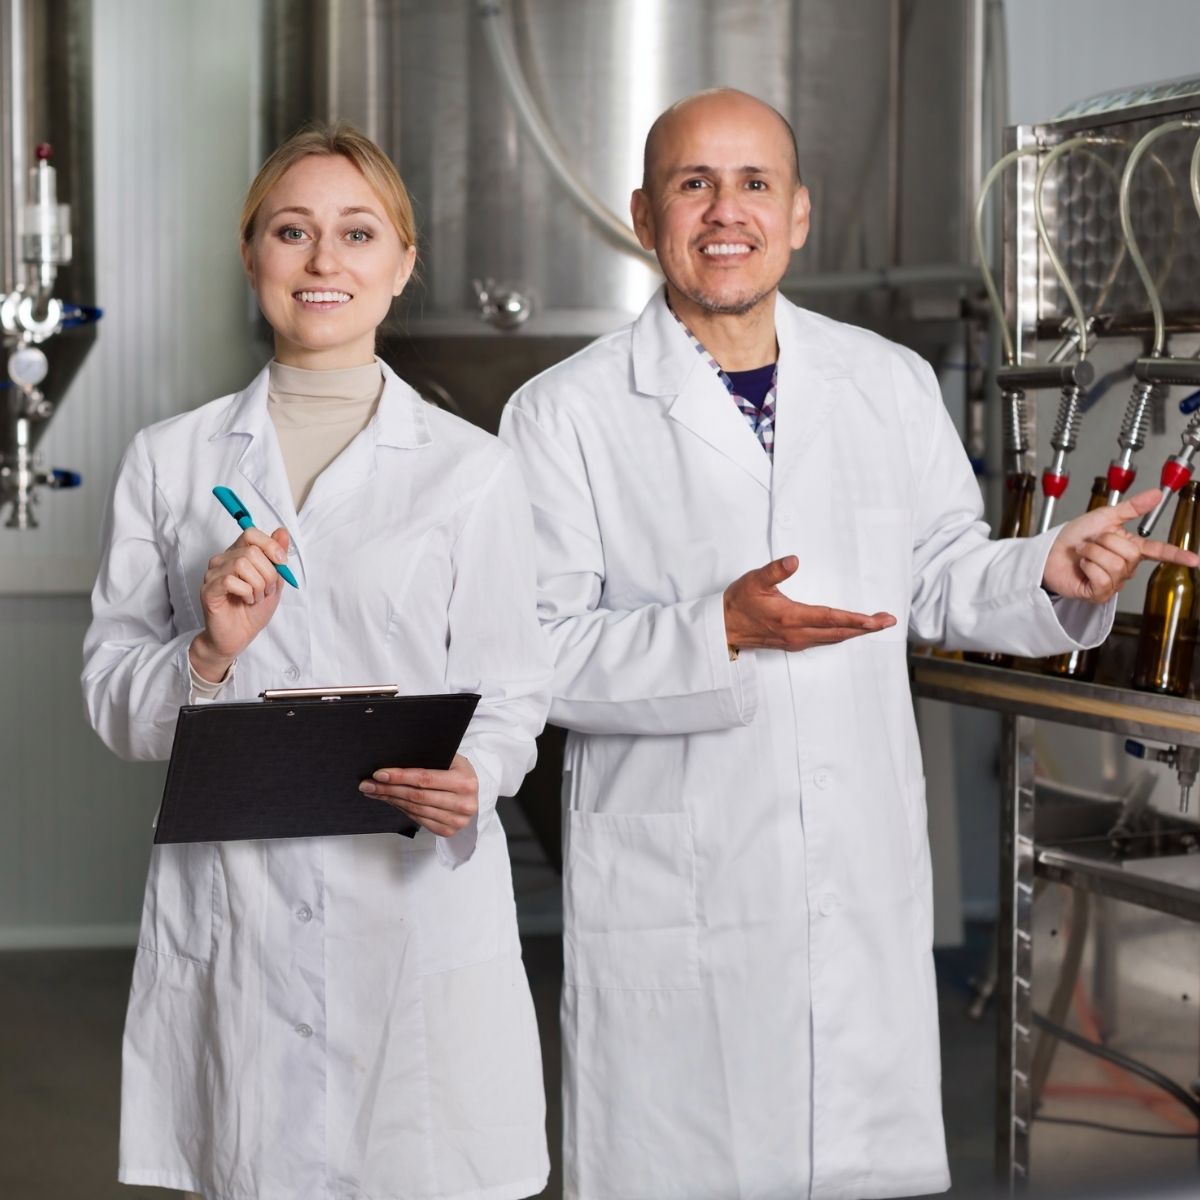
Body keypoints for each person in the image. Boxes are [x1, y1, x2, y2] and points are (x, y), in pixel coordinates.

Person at [498, 89, 1197, 1200]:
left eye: (754, 184)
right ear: (644, 214)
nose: (727, 212)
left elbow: (937, 574)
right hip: (680, 886)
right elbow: (531, 653)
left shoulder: (883, 383)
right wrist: (714, 628)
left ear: (801, 214)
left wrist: (1050, 569)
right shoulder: (564, 414)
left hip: (851, 873)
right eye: (694, 184)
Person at [82, 124, 552, 1200]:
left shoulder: (471, 471)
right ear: (253, 256)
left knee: (415, 1162)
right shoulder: (171, 461)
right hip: (237, 906)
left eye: (357, 233)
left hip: (409, 892)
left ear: (401, 264)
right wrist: (205, 652)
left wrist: (477, 774)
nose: (324, 261)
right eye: (293, 232)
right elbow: (113, 699)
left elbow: (513, 686)